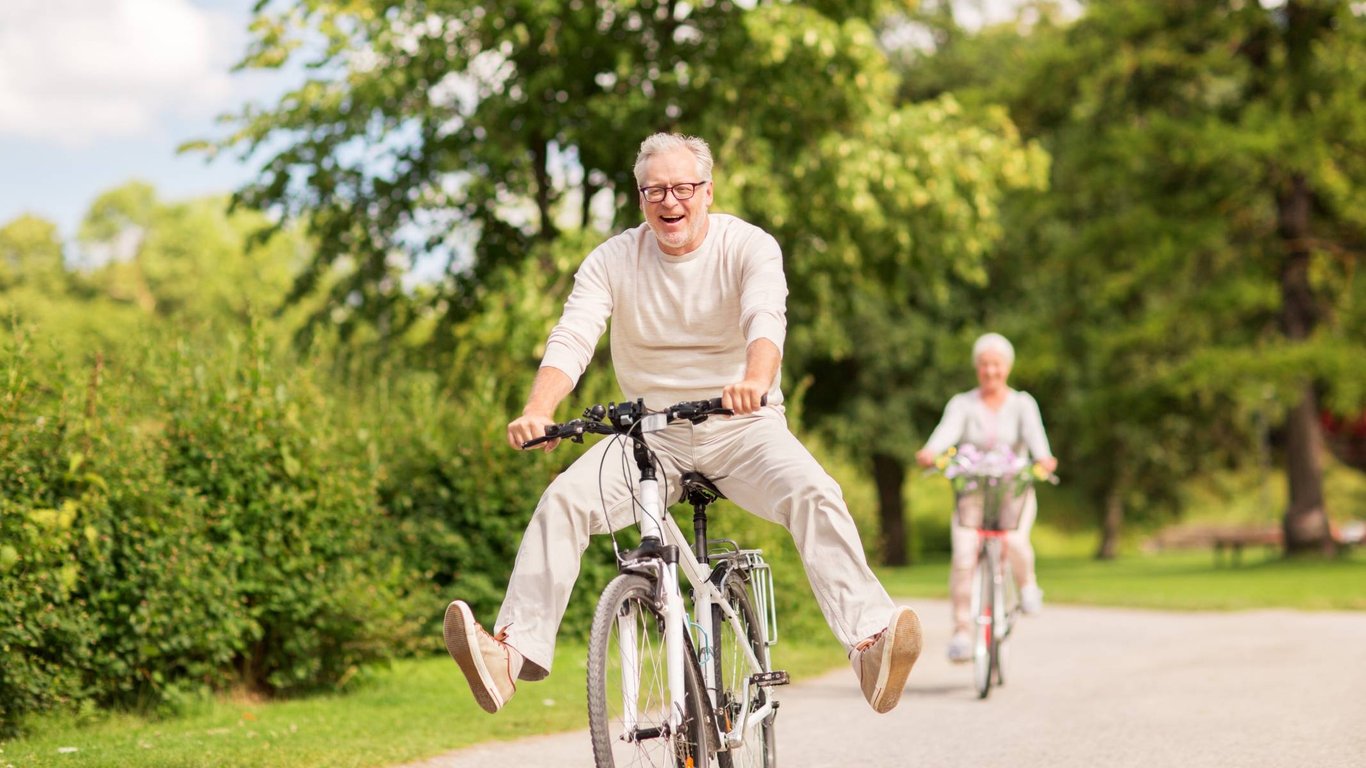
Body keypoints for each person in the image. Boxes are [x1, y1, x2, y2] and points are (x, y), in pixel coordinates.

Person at [441, 132, 922, 716]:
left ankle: (870, 644)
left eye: (683, 188)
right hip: (650, 436)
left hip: (742, 426)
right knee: (563, 501)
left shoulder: (748, 246)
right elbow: (573, 335)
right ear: (641, 197)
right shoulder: (613, 258)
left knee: (814, 492)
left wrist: (755, 379)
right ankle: (509, 657)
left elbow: (765, 318)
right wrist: (538, 410)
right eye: (655, 191)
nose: (670, 202)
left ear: (707, 191)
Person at [914, 332, 1058, 664]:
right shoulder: (963, 404)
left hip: (1013, 491)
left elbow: (1038, 442)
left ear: (1007, 367)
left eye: (996, 365)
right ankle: (962, 633)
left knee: (1015, 541)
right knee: (964, 556)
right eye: (984, 365)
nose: (990, 371)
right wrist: (931, 452)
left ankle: (1027, 586)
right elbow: (944, 433)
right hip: (973, 493)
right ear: (977, 368)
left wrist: (1044, 459)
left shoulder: (1023, 404)